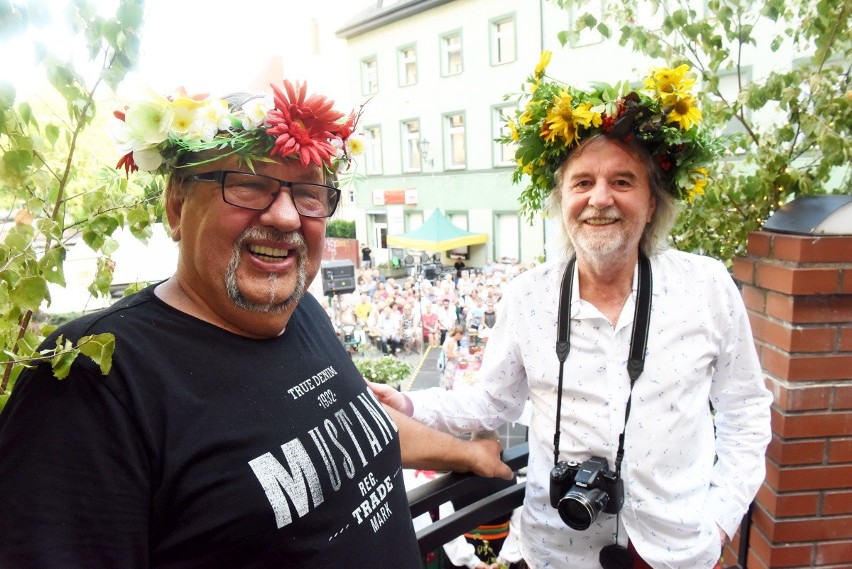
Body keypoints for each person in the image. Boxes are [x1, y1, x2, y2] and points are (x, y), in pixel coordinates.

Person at [0, 79, 512, 568]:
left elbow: (362, 423)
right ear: (176, 204)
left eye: (309, 193)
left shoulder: (304, 313)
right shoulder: (94, 376)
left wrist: (467, 454)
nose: (287, 217)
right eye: (248, 185)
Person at [372, 58, 772, 569]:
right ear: (562, 199)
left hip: (678, 551)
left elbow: (745, 412)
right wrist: (408, 406)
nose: (599, 199)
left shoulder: (707, 286)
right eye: (582, 182)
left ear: (652, 203)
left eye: (623, 181)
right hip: (558, 552)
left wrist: (718, 522)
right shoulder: (527, 297)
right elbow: (493, 403)